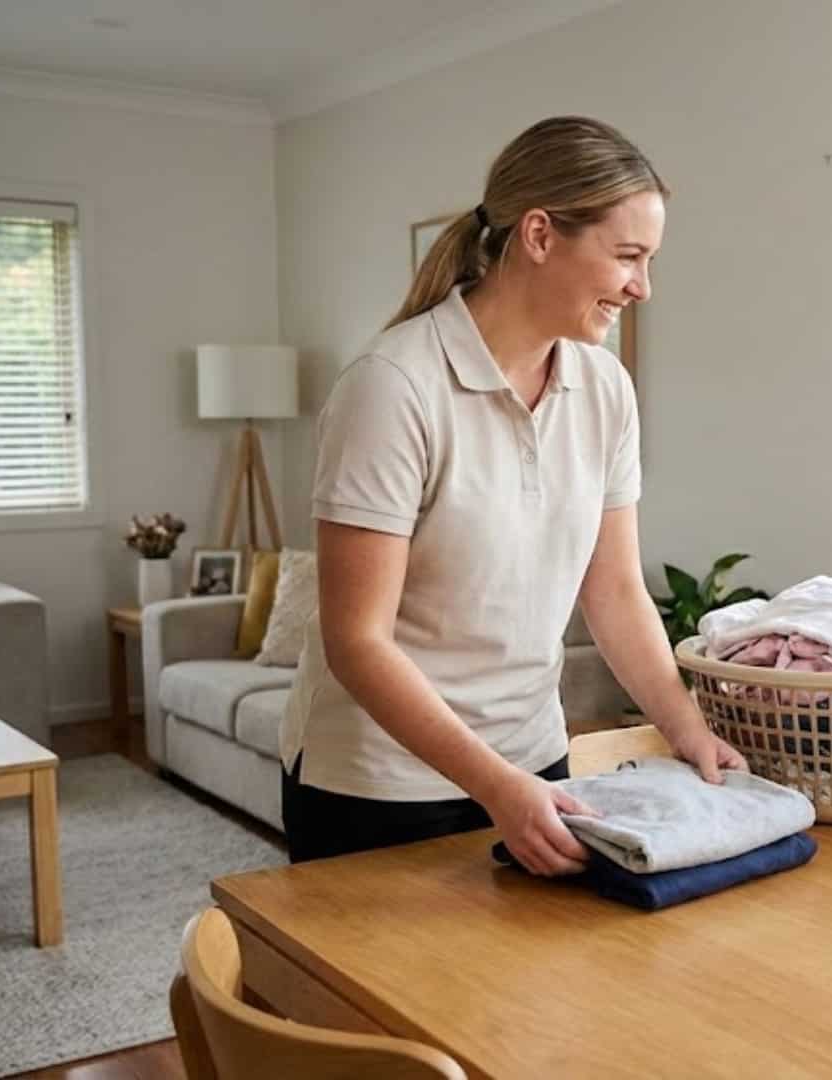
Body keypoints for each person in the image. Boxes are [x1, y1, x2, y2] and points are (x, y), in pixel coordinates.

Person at [281, 116, 743, 870]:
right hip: (381, 785)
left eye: (648, 260)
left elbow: (617, 589)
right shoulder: (393, 388)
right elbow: (356, 642)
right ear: (538, 235)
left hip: (533, 762)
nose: (642, 287)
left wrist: (686, 728)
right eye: (627, 256)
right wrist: (497, 785)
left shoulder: (603, 387)